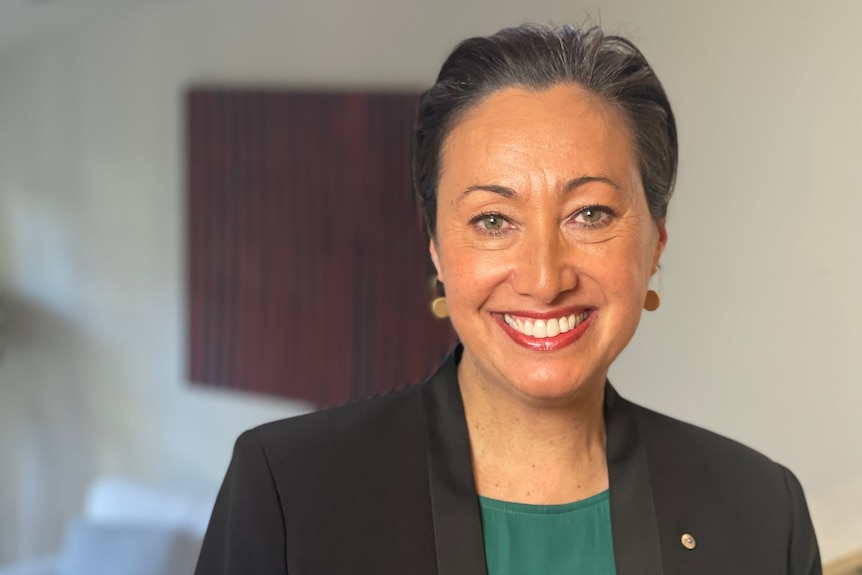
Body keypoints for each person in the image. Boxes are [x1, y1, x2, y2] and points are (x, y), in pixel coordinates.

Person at [194, 24, 822, 575]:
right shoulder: (289, 494)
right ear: (436, 247)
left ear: (655, 243)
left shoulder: (763, 510)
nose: (545, 279)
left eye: (590, 213)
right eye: (493, 221)